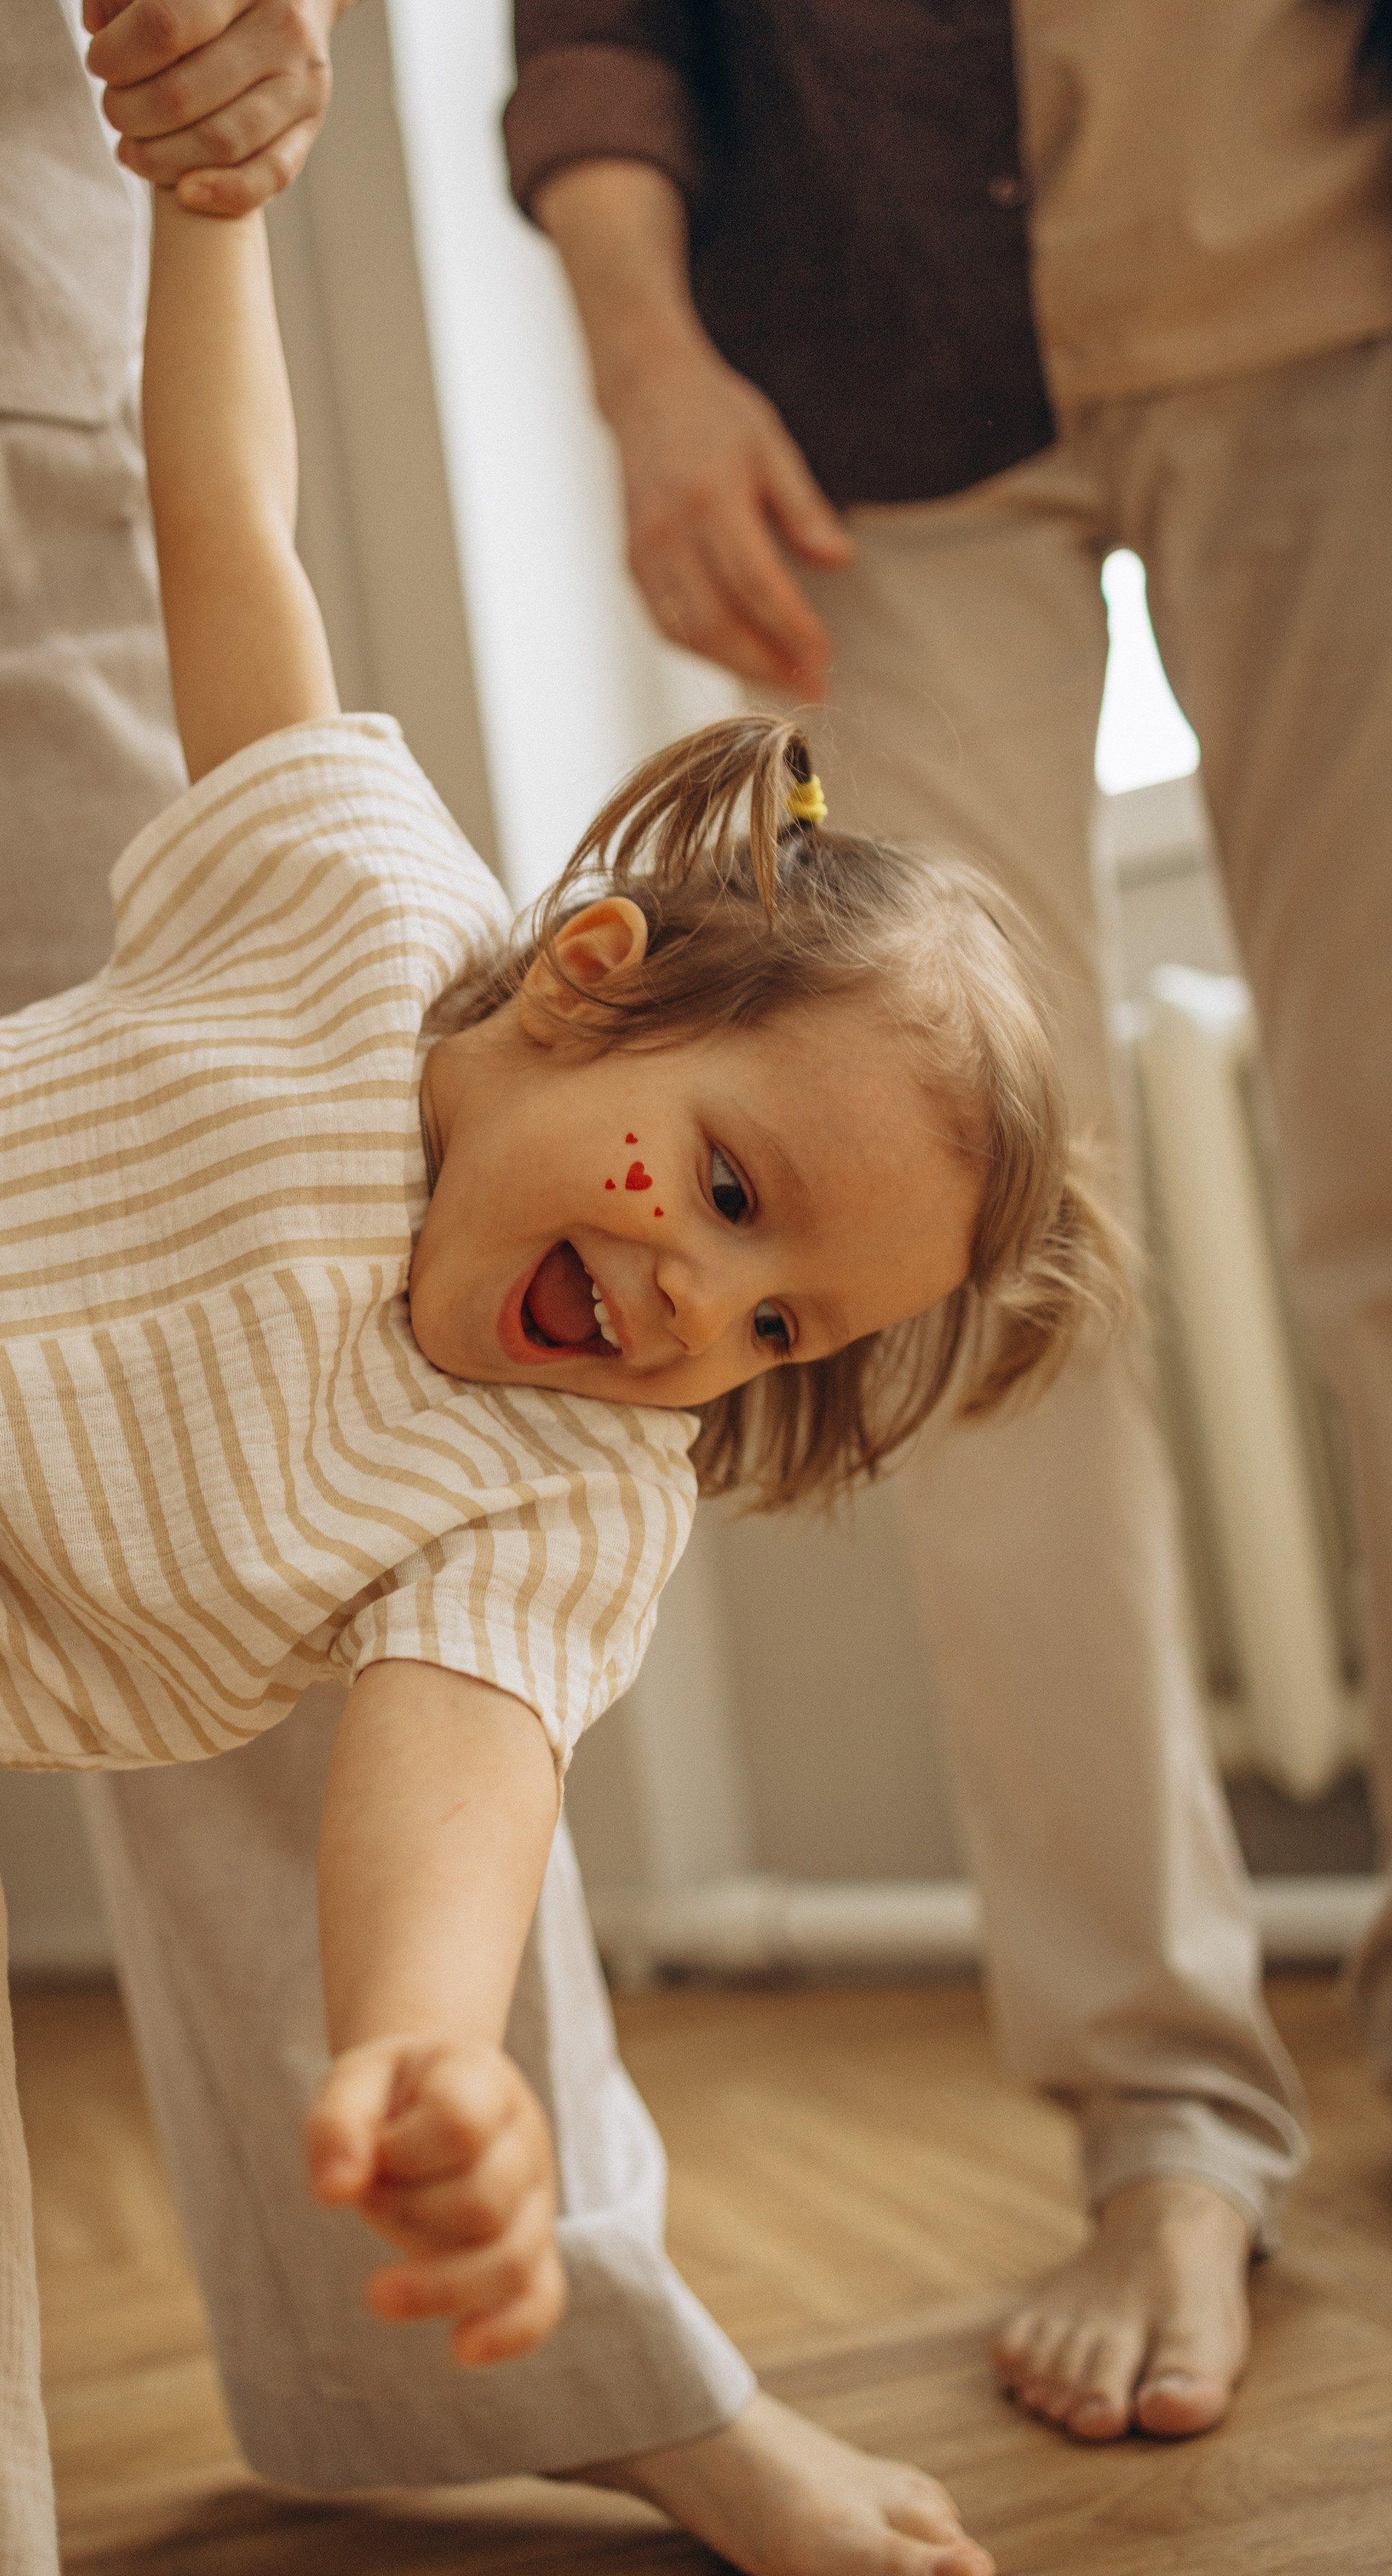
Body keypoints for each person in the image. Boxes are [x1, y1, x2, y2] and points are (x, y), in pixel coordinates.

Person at [0, 124, 1130, 2564]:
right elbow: (228, 521)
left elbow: (457, 1784)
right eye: (724, 1192)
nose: (705, 1306)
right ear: (593, 983)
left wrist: (416, 2059)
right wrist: (212, 207)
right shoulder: (357, 912)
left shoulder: (560, 1502)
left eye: (783, 1317)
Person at [505, 0, 1392, 2449]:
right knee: (961, 1291)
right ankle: (1168, 2127)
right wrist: (645, 362)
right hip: (870, 386)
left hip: (1342, 289)